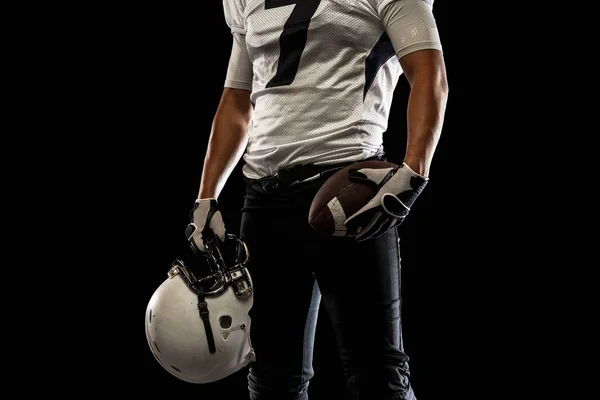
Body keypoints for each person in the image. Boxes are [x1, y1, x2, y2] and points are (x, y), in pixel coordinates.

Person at [186, 0, 448, 399]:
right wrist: (206, 198)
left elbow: (430, 74)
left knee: (378, 374)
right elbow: (239, 100)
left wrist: (414, 172)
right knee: (272, 377)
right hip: (264, 198)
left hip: (348, 190)